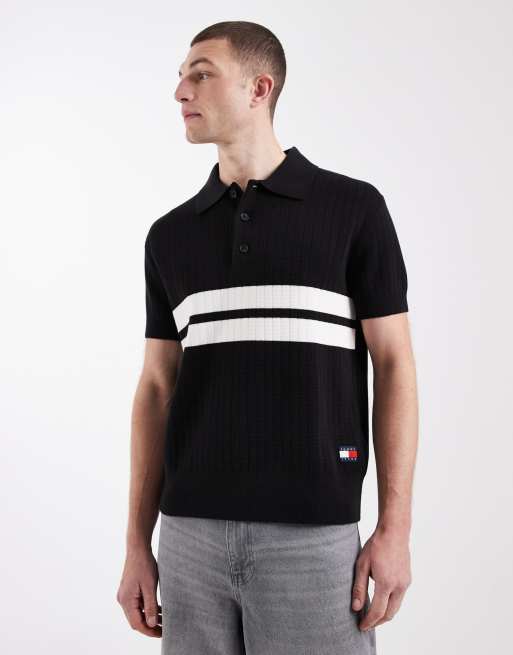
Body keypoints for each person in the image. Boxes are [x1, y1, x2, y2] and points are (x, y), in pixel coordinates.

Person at [116, 20, 418, 655]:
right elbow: (156, 389)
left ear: (260, 88)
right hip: (188, 539)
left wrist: (396, 529)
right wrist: (136, 545)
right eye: (180, 77)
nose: (181, 91)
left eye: (201, 74)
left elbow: (394, 365)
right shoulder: (169, 236)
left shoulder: (353, 210)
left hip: (313, 538)